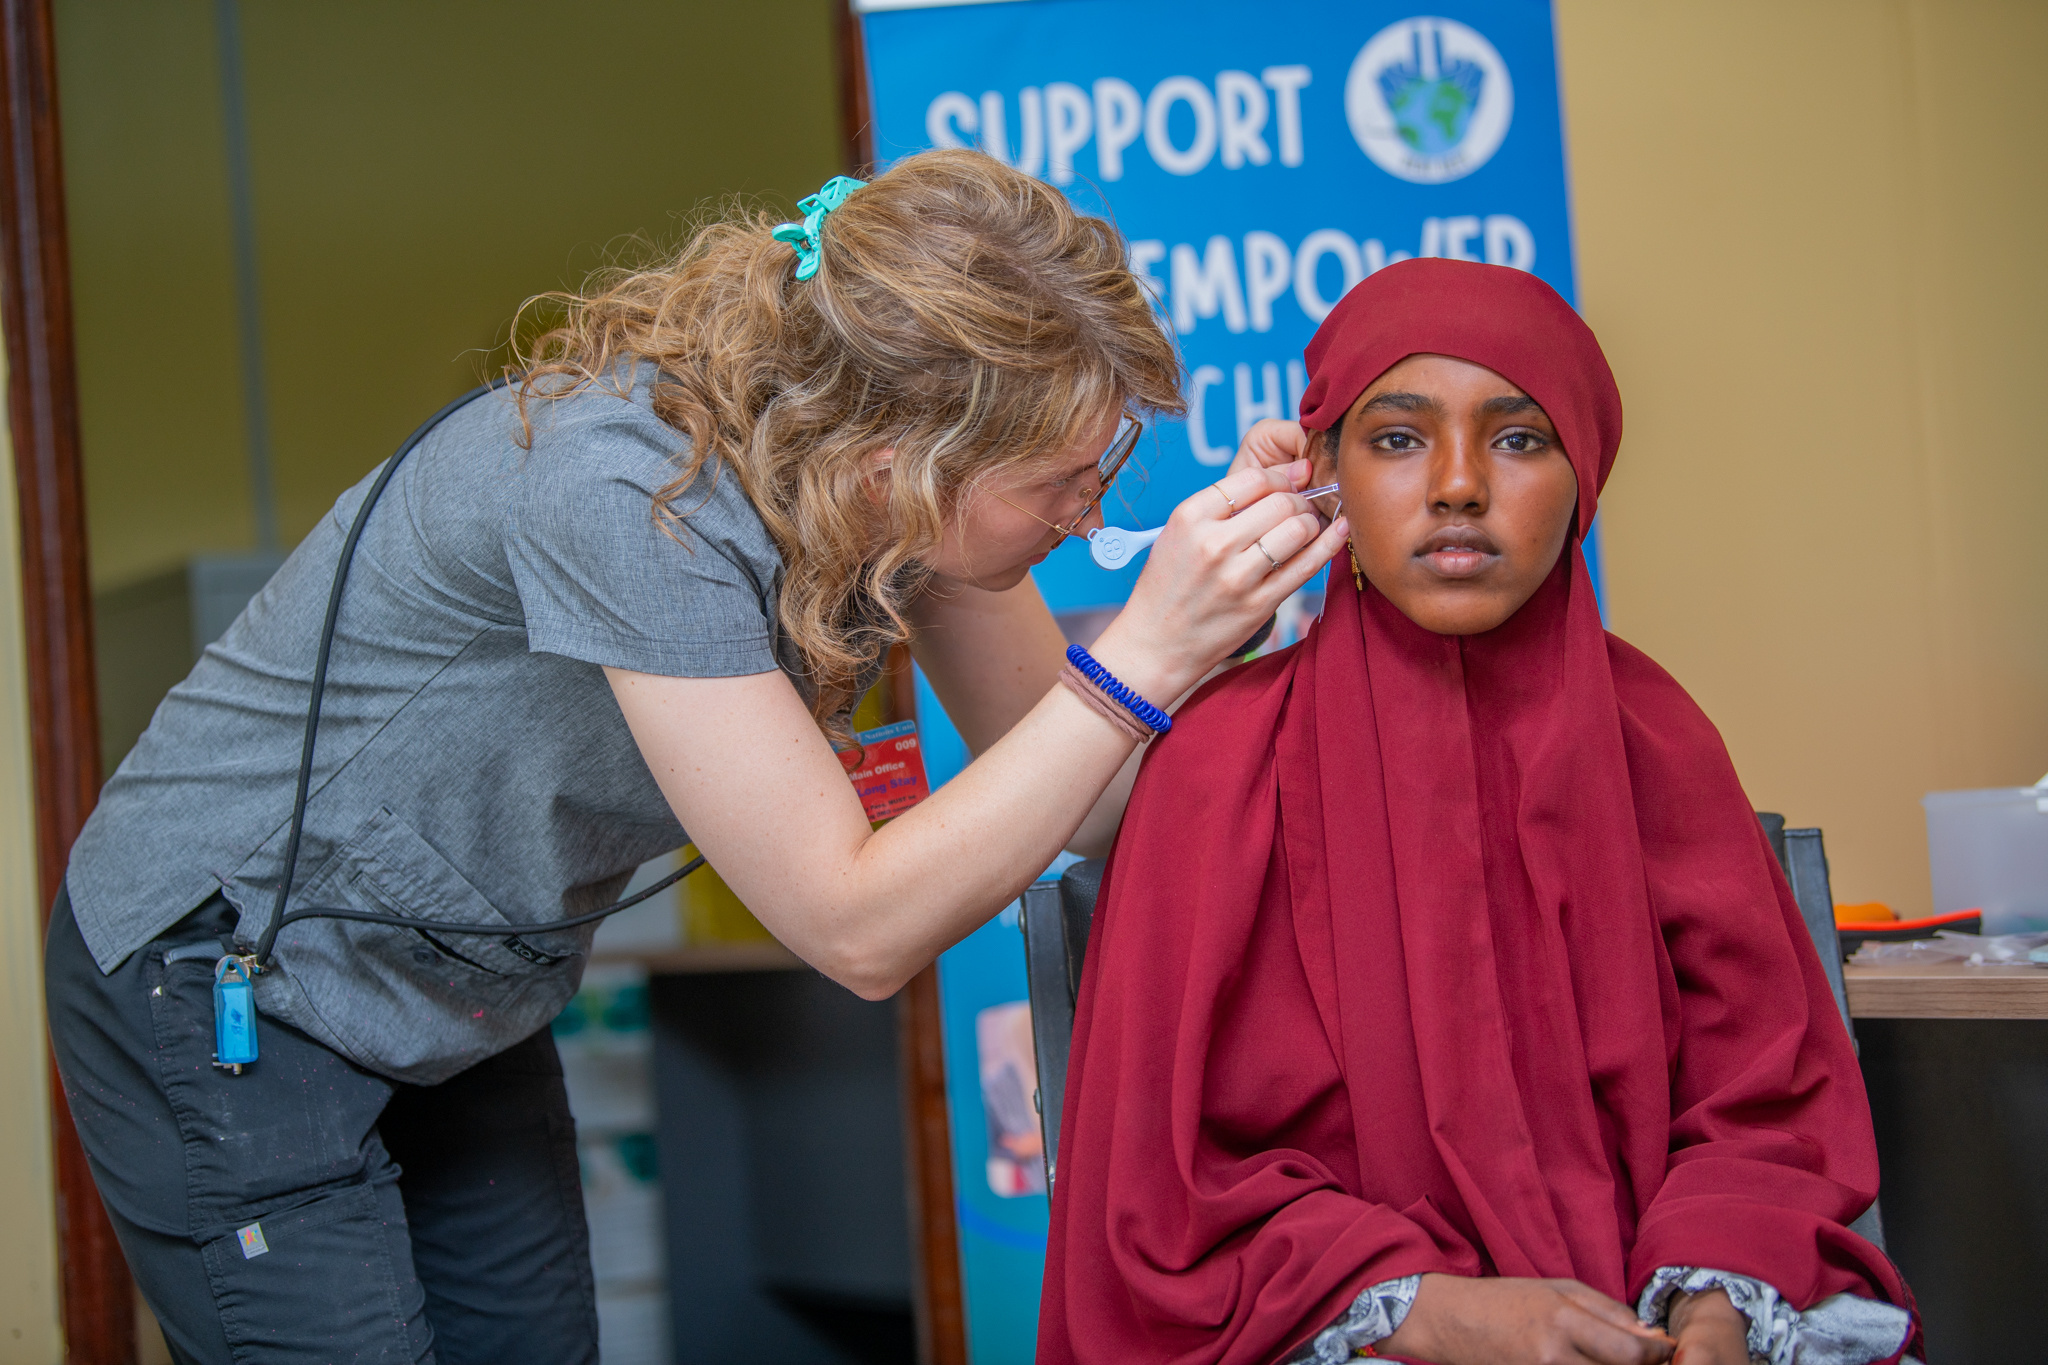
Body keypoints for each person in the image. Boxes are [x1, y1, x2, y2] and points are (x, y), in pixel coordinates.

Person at [44, 148, 1347, 1364]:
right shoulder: (625, 487)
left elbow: (1093, 796)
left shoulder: (911, 510)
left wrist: (1231, 617)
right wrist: (1145, 656)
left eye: (1105, 463)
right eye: (1066, 477)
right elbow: (854, 925)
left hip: (460, 984)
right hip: (229, 963)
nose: (1093, 512)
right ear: (902, 458)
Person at [1038, 258, 1921, 1365]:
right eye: (1398, 439)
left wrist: (1712, 1304)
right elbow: (1161, 1191)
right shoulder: (1217, 761)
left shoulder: (1656, 739)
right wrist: (1428, 1311)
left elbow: (1763, 1098)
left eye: (1516, 440)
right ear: (1323, 474)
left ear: (1582, 477)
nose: (1457, 485)